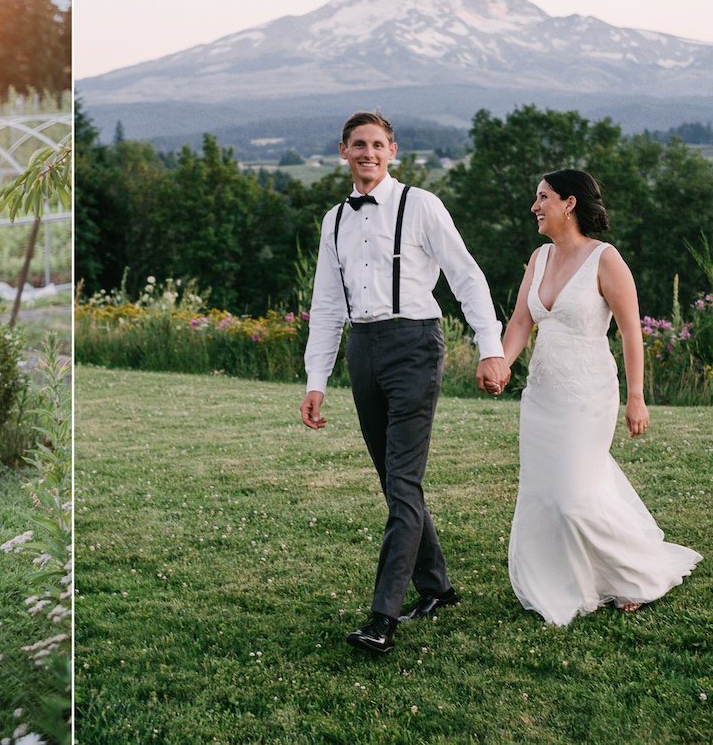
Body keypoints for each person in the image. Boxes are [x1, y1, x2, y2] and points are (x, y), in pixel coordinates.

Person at [300, 111, 510, 655]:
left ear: (392, 151)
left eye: (377, 144)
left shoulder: (421, 205)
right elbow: (325, 304)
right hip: (363, 349)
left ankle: (382, 617)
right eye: (358, 145)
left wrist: (491, 348)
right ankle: (437, 587)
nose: (368, 153)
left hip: (416, 345)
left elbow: (466, 275)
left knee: (402, 484)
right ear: (342, 150)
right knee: (394, 480)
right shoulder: (334, 221)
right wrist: (316, 379)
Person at [498, 170, 701, 625]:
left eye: (542, 197)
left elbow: (631, 332)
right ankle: (564, 579)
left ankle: (640, 573)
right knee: (545, 494)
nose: (535, 206)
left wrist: (636, 397)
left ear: (569, 204)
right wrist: (503, 362)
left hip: (588, 393)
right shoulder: (539, 258)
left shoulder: (605, 260)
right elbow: (519, 324)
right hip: (543, 395)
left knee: (574, 498)